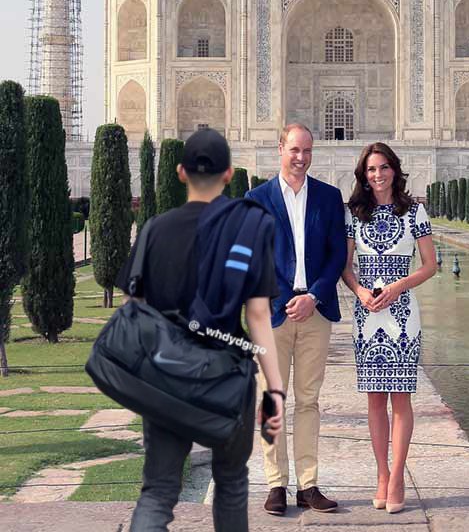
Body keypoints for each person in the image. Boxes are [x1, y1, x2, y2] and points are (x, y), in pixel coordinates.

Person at [115, 128, 284, 532]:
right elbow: (259, 317)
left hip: (167, 378)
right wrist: (274, 389)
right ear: (229, 174)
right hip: (226, 379)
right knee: (230, 484)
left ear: (179, 172)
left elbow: (133, 312)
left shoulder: (155, 230)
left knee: (158, 489)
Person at [246, 123, 347, 516]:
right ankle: (276, 485)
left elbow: (337, 255)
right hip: (273, 312)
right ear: (280, 150)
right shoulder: (256, 198)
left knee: (309, 401)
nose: (301, 157)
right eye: (294, 150)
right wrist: (290, 298)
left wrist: (314, 296)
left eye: (307, 151)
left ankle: (308, 484)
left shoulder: (328, 196)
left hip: (316, 312)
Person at [341, 142, 437, 515]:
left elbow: (430, 265)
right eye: (370, 170)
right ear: (363, 176)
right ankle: (381, 474)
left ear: (394, 170)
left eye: (383, 168)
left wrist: (397, 287)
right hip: (367, 314)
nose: (377, 175)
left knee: (401, 398)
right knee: (375, 400)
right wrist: (361, 291)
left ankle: (397, 477)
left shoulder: (414, 212)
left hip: (402, 314)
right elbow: (345, 267)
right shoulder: (355, 214)